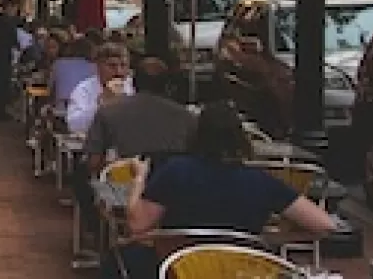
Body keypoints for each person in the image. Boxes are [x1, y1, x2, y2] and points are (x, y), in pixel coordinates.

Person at [102, 101, 337, 278]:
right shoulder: (261, 181)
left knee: (116, 259)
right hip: (241, 270)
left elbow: (137, 224)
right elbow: (324, 225)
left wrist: (139, 180)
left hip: (179, 268)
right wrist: (270, 237)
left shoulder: (176, 171)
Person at [84, 57, 195, 172]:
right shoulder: (186, 117)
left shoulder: (108, 112)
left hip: (121, 184)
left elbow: (94, 162)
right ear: (168, 85)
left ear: (134, 83)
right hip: (172, 184)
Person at [66, 43, 134, 134]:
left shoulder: (134, 87)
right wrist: (101, 105)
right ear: (98, 66)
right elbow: (73, 126)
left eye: (123, 65)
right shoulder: (84, 89)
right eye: (112, 66)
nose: (118, 72)